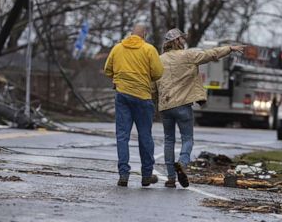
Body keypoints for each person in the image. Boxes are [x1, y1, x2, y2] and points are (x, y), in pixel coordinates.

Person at [157, 29, 244, 188]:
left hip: (165, 106)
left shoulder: (159, 59)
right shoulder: (188, 56)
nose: (183, 41)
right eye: (181, 39)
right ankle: (182, 162)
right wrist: (229, 49)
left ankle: (170, 178)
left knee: (169, 140)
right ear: (177, 41)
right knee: (187, 138)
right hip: (183, 105)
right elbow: (210, 54)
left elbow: (152, 82)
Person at [103, 24, 164, 187]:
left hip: (122, 96)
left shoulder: (117, 48)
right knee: (145, 136)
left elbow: (107, 70)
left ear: (131, 34)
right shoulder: (149, 49)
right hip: (143, 97)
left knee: (122, 136)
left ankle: (124, 174)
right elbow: (158, 73)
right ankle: (146, 175)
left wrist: (119, 78)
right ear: (144, 34)